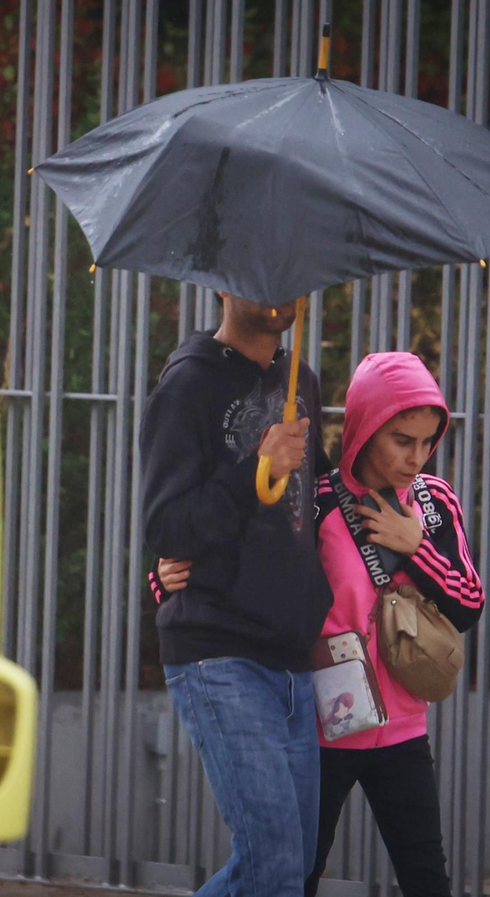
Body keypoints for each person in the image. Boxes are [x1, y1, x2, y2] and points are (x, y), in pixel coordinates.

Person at [155, 351, 484, 897]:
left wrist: (417, 547)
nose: (417, 457)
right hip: (323, 727)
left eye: (429, 442)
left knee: (428, 881)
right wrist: (163, 577)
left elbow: (469, 604)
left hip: (404, 730)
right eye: (402, 440)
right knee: (295, 876)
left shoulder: (434, 502)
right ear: (367, 428)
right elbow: (238, 561)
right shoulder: (315, 499)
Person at [140, 291, 334, 897]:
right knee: (273, 865)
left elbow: (316, 497)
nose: (277, 291)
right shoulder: (188, 384)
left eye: (289, 277)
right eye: (258, 275)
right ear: (223, 283)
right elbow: (166, 526)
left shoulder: (301, 380)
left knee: (290, 869)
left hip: (293, 659)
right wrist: (257, 467)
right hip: (220, 652)